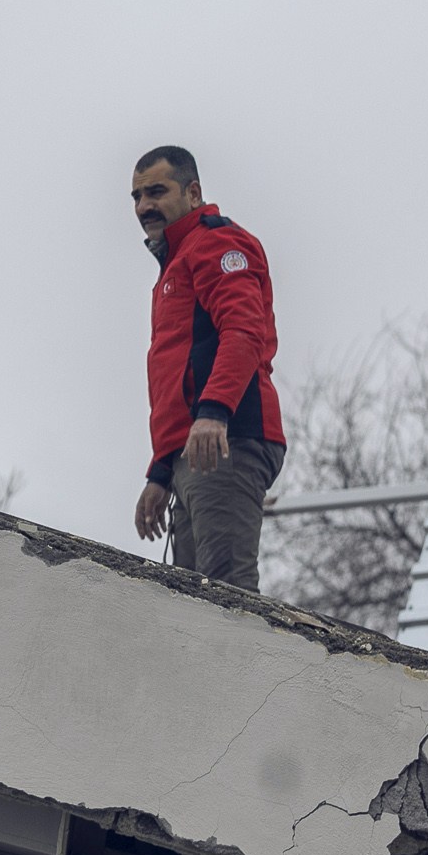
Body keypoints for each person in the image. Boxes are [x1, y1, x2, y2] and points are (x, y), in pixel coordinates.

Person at [128, 145, 287, 591]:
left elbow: (243, 331)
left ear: (193, 193)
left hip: (228, 438)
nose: (144, 207)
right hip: (196, 450)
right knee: (193, 602)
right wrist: (161, 471)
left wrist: (215, 411)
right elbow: (179, 376)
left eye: (157, 192)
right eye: (137, 197)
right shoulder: (174, 265)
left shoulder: (216, 242)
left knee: (226, 594)